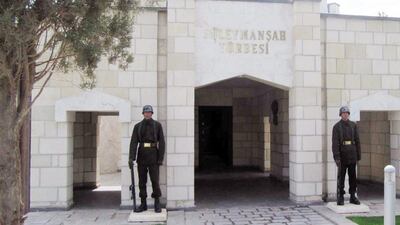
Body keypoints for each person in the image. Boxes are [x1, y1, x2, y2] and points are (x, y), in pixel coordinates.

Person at [129, 105, 165, 213]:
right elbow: (134, 143)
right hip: (142, 156)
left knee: (155, 181)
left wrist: (160, 158)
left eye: (149, 112)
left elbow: (162, 142)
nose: (147, 114)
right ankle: (143, 203)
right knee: (142, 181)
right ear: (143, 113)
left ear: (152, 113)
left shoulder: (157, 125)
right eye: (145, 112)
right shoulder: (138, 126)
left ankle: (157, 203)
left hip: (153, 155)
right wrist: (131, 157)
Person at [332, 106, 361, 206]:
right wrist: (336, 157)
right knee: (341, 177)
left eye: (347, 113)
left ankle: (353, 196)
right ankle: (340, 197)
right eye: (343, 113)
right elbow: (335, 143)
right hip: (342, 155)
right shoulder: (337, 127)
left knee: (353, 177)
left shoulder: (353, 125)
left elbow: (357, 141)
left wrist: (358, 156)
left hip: (352, 154)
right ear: (340, 114)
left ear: (349, 114)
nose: (345, 114)